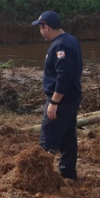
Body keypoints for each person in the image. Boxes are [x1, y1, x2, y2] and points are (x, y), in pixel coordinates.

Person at [32, 10, 83, 181]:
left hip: (62, 101)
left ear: (46, 27)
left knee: (48, 139)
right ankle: (68, 173)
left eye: (40, 27)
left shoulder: (60, 46)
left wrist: (54, 102)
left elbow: (64, 76)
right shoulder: (70, 40)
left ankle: (40, 179)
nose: (40, 32)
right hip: (72, 98)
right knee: (68, 137)